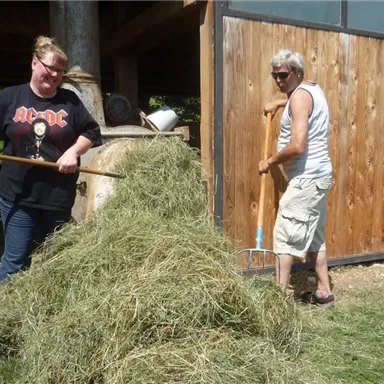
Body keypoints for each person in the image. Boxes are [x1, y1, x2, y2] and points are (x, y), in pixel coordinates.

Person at [0, 36, 102, 282]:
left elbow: (92, 132)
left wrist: (73, 152)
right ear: (35, 63)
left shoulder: (70, 102)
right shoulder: (10, 98)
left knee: (56, 264)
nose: (55, 74)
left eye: (60, 70)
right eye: (50, 67)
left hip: (57, 198)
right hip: (18, 196)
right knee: (15, 263)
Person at [259, 49, 334, 307]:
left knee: (285, 237)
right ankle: (324, 292)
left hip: (306, 179)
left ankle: (278, 300)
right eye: (274, 75)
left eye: (283, 75)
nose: (278, 80)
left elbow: (298, 145)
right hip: (318, 177)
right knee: (314, 236)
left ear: (298, 72)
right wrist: (280, 103)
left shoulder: (300, 98)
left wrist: (270, 161)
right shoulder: (311, 89)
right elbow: (299, 102)